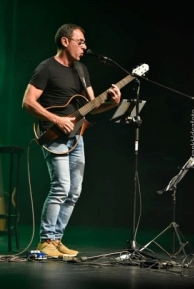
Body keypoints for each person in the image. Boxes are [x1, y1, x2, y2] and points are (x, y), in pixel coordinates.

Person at [22, 23, 121, 258]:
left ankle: (56, 239)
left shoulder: (81, 69)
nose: (85, 47)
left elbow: (90, 107)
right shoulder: (46, 68)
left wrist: (112, 103)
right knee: (61, 188)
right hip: (53, 134)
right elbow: (28, 102)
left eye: (85, 43)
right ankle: (46, 240)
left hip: (77, 137)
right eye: (81, 42)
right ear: (65, 42)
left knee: (74, 191)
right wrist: (56, 119)